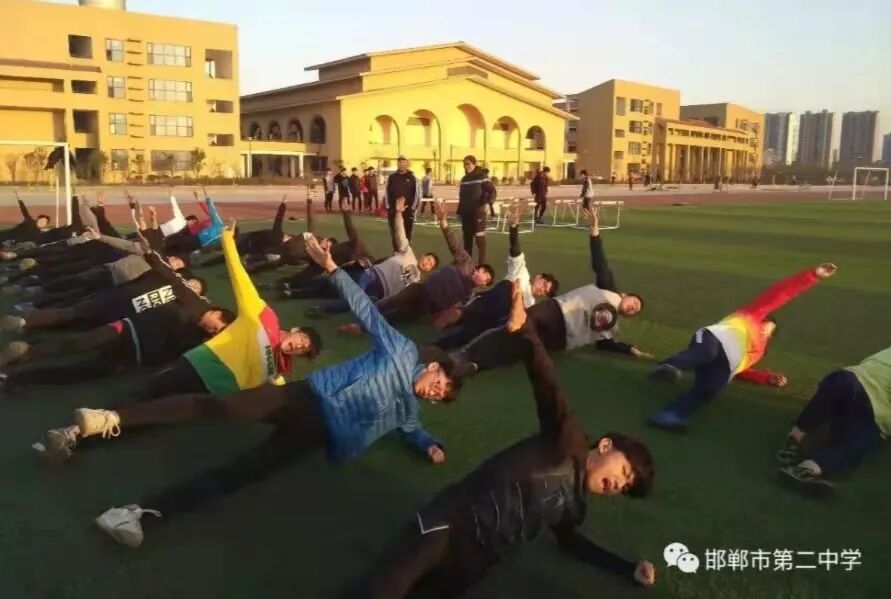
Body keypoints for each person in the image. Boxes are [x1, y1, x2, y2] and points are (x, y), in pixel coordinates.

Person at [37, 237, 463, 548]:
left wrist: (429, 443)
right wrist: (333, 269)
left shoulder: (409, 408)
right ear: (433, 368)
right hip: (305, 398)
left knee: (241, 474)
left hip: (317, 437)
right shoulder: (402, 351)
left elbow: (411, 428)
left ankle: (141, 516)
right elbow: (367, 311)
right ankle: (112, 417)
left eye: (440, 397)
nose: (435, 393)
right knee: (217, 408)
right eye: (440, 385)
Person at [349, 288, 656, 597]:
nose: (619, 484)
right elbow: (547, 381)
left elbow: (571, 544)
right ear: (605, 446)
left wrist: (627, 568)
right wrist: (525, 329)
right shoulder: (568, 440)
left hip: (474, 563)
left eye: (625, 487)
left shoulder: (574, 507)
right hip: (448, 525)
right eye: (624, 472)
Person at [447, 207, 647, 375]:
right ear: (625, 295)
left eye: (635, 310)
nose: (633, 307)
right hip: (554, 312)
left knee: (521, 349)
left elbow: (604, 343)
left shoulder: (612, 327)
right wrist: (594, 231)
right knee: (512, 328)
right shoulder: (608, 289)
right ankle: (465, 354)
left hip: (561, 339)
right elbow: (599, 262)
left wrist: (628, 349)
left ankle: (475, 366)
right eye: (635, 302)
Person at [134, 227, 322, 401]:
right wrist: (228, 242)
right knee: (149, 393)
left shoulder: (277, 369)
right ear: (295, 329)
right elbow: (240, 279)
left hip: (212, 393)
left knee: (165, 409)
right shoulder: (265, 317)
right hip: (200, 365)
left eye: (303, 350)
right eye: (303, 340)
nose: (300, 346)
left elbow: (278, 388)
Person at [648, 263, 838, 431]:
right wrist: (813, 275)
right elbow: (781, 293)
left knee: (711, 388)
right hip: (714, 338)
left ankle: (669, 415)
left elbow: (742, 370)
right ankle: (669, 366)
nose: (765, 328)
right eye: (766, 323)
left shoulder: (759, 352)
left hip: (726, 365)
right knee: (706, 352)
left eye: (770, 330)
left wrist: (767, 378)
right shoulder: (753, 314)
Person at [341, 202, 493, 331]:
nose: (483, 280)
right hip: (421, 289)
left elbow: (456, 311)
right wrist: (444, 223)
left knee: (396, 317)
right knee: (391, 302)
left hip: (428, 307)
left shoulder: (468, 294)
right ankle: (362, 315)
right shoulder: (466, 262)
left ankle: (360, 328)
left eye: (486, 282)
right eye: (485, 275)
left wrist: (441, 319)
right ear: (479, 269)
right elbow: (454, 245)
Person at [430, 205, 558, 350]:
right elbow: (515, 250)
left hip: (501, 314)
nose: (542, 290)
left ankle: (435, 345)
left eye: (545, 292)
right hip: (500, 294)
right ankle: (440, 320)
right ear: (539, 277)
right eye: (544, 285)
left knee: (470, 335)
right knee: (463, 313)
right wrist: (513, 228)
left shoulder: (530, 303)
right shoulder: (523, 272)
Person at [778, 345, 891, 492]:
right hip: (874, 410)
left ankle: (798, 445)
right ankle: (808, 464)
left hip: (855, 384)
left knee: (839, 385)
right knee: (858, 442)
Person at [302, 198, 439, 311]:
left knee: (355, 302)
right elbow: (400, 234)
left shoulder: (416, 282)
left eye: (430, 265)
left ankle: (321, 309)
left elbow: (400, 298)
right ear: (422, 256)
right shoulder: (408, 254)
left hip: (379, 293)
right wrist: (398, 214)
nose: (427, 263)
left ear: (429, 270)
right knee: (350, 291)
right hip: (372, 276)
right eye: (428, 259)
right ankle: (303, 289)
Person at [457, 155, 496, 264]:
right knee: (467, 239)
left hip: (478, 213)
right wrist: (459, 211)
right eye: (464, 164)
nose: (466, 166)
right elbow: (462, 197)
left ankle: (481, 264)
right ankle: (467, 263)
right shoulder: (464, 179)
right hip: (466, 214)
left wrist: (489, 204)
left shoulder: (482, 176)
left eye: (468, 164)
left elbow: (493, 192)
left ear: (474, 164)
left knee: (480, 239)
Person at [386, 155, 419, 243]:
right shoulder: (392, 177)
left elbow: (417, 194)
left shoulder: (412, 178)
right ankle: (396, 250)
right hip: (394, 211)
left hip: (407, 212)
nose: (401, 164)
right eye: (399, 162)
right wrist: (389, 208)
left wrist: (412, 209)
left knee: (406, 235)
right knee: (395, 235)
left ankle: (406, 251)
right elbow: (387, 192)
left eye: (403, 162)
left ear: (407, 164)